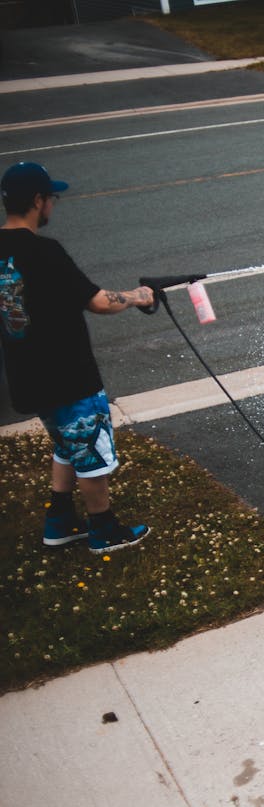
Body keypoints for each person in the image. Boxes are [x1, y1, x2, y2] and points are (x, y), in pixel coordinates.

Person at [0, 161, 155, 554]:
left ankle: (59, 522)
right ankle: (104, 530)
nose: (52, 205)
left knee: (66, 443)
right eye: (51, 198)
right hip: (68, 373)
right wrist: (138, 297)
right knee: (90, 450)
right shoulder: (45, 251)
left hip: (26, 374)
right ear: (38, 200)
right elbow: (99, 302)